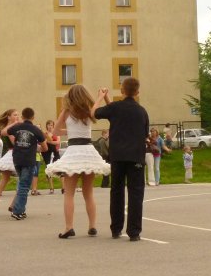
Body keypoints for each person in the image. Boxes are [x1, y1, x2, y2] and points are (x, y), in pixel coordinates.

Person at [46, 85, 110, 238]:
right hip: (88, 151)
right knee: (89, 193)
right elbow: (103, 109)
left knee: (69, 194)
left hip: (74, 152)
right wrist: (101, 97)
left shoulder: (66, 111)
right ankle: (92, 226)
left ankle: (69, 227)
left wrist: (70, 130)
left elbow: (55, 131)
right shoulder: (90, 110)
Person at [93, 77, 149, 241]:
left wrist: (100, 97)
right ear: (137, 92)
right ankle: (134, 232)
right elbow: (145, 134)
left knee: (116, 191)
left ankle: (116, 228)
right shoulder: (142, 111)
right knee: (136, 194)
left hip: (118, 157)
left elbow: (94, 113)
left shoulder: (115, 108)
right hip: (136, 157)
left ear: (122, 91)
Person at [2, 108, 47, 220]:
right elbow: (45, 148)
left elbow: (3, 132)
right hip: (28, 161)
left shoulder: (17, 127)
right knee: (24, 186)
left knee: (23, 185)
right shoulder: (36, 130)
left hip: (17, 160)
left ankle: (21, 210)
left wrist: (14, 123)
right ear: (33, 117)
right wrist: (36, 148)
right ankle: (17, 211)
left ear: (22, 117)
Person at [0, 109, 20, 217]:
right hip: (14, 154)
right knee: (23, 180)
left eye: (18, 115)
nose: (17, 116)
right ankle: (12, 205)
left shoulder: (10, 127)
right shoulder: (10, 127)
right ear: (9, 117)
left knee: (4, 181)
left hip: (9, 155)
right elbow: (14, 142)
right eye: (15, 115)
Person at [42, 120, 62, 194]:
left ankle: (63, 187)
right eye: (48, 125)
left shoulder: (56, 133)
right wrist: (48, 139)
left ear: (53, 126)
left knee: (59, 169)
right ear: (46, 126)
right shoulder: (45, 134)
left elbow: (58, 142)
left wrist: (49, 141)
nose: (50, 126)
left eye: (51, 125)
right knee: (48, 170)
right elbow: (43, 142)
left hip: (55, 152)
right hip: (47, 153)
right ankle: (51, 188)